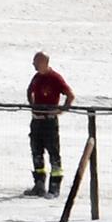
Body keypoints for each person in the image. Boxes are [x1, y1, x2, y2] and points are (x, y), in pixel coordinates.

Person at [24, 51, 75, 198]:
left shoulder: (55, 78)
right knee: (36, 153)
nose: (33, 64)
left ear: (43, 62)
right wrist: (32, 106)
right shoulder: (36, 77)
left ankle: (54, 187)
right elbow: (29, 91)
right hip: (36, 121)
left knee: (53, 153)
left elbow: (70, 95)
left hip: (50, 122)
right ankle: (39, 185)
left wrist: (62, 110)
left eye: (36, 61)